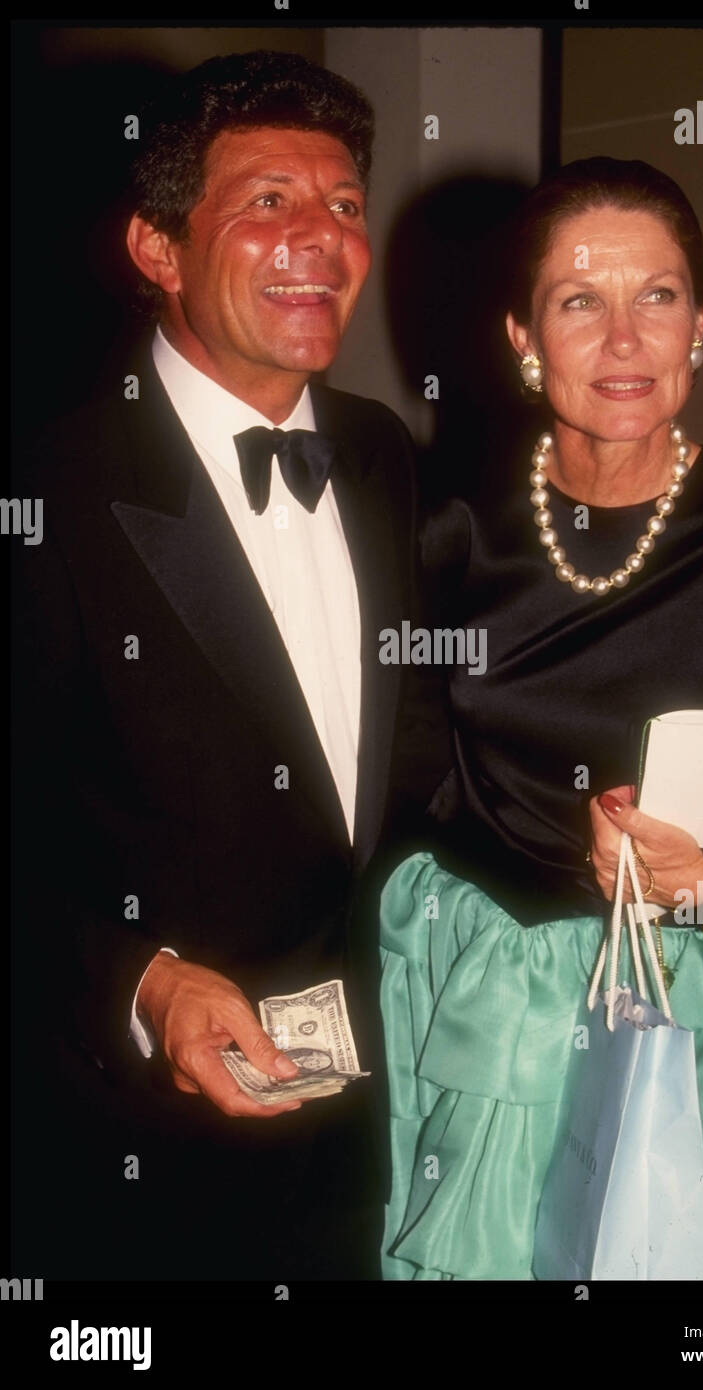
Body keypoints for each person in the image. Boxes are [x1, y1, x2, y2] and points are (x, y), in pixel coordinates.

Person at [379, 157, 703, 1281]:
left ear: (701, 323)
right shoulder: (442, 532)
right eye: (579, 301)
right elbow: (403, 787)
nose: (624, 340)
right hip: (496, 1007)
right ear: (521, 336)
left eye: (657, 296)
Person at [10, 49, 424, 1281]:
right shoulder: (44, 493)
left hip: (378, 1131)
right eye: (266, 203)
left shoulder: (383, 453)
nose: (320, 238)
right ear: (157, 248)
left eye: (344, 204)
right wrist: (142, 980)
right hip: (131, 1169)